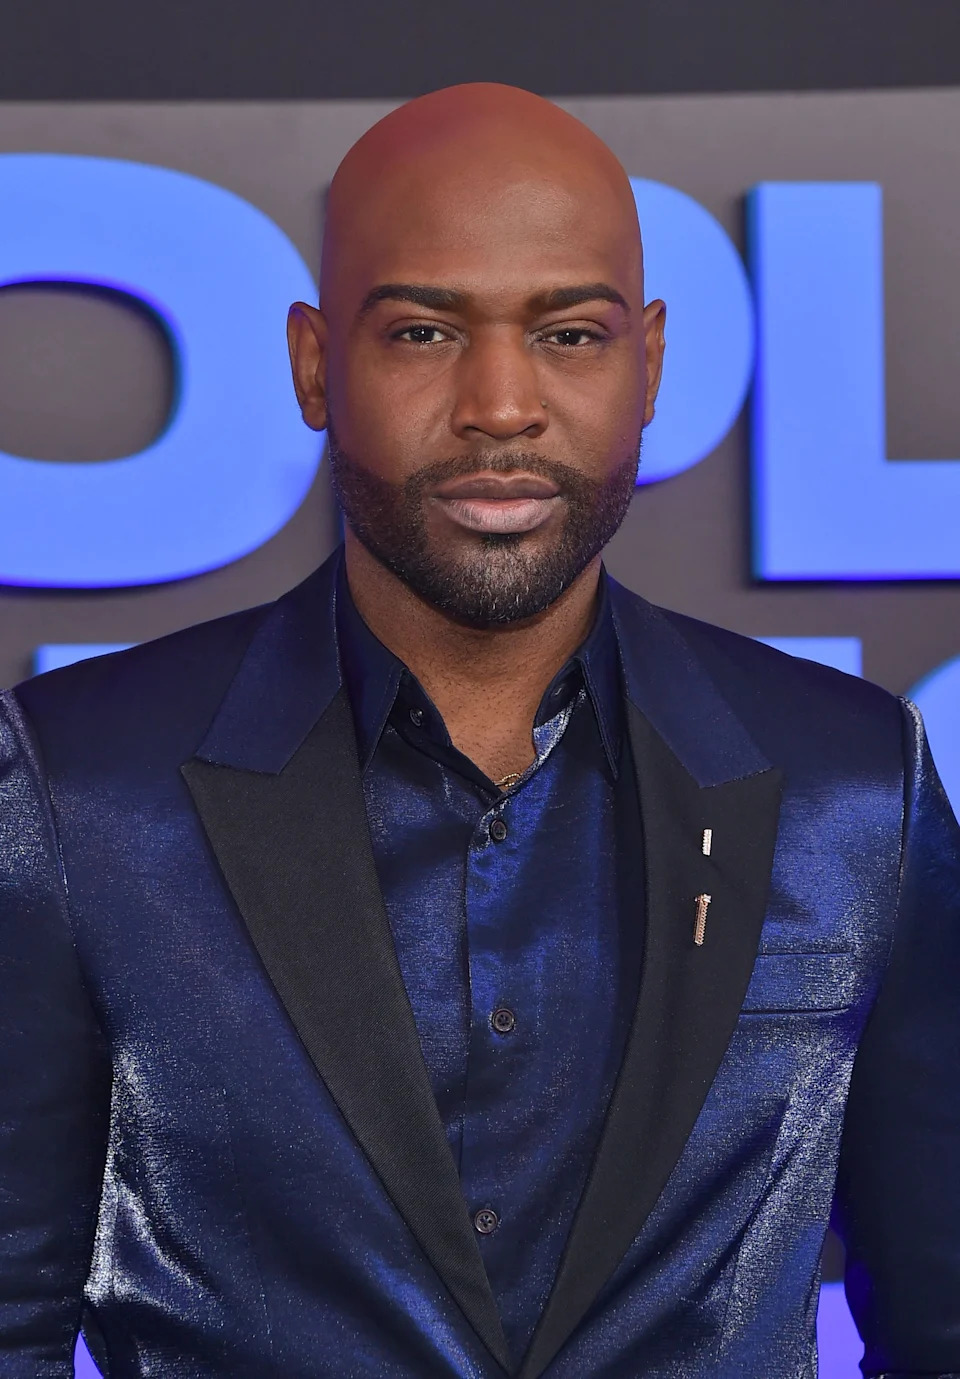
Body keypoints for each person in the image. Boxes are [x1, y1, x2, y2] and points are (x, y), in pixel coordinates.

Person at [1, 82, 958, 1379]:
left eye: (569, 335)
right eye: (421, 332)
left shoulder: (854, 786)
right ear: (312, 364)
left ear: (652, 366)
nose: (501, 405)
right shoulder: (79, 789)